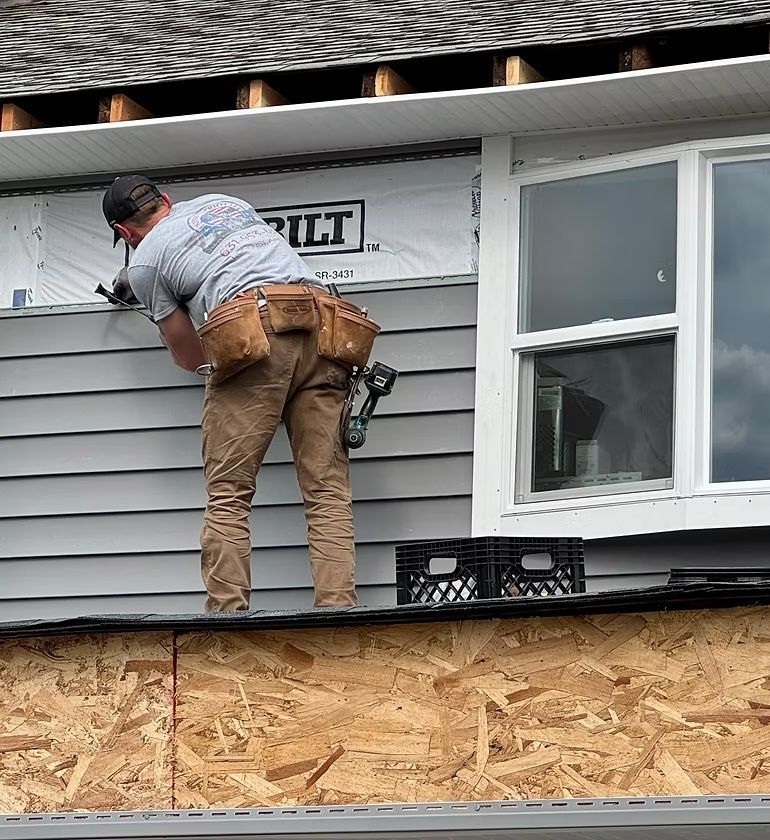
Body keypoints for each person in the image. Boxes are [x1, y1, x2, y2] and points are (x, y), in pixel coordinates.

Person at [102, 174, 357, 612]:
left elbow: (189, 355)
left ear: (123, 233)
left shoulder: (144, 264)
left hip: (256, 334)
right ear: (166, 200)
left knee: (229, 494)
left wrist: (163, 300)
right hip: (325, 327)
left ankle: (226, 619)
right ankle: (339, 608)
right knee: (326, 490)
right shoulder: (224, 201)